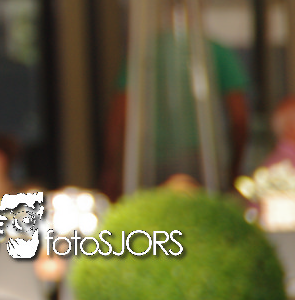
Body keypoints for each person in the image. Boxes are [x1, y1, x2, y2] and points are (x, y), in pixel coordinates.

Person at [100, 37, 249, 200]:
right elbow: (239, 118)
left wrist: (110, 167)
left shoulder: (144, 52)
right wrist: (235, 166)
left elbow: (119, 114)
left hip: (153, 161)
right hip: (200, 161)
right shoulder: (217, 52)